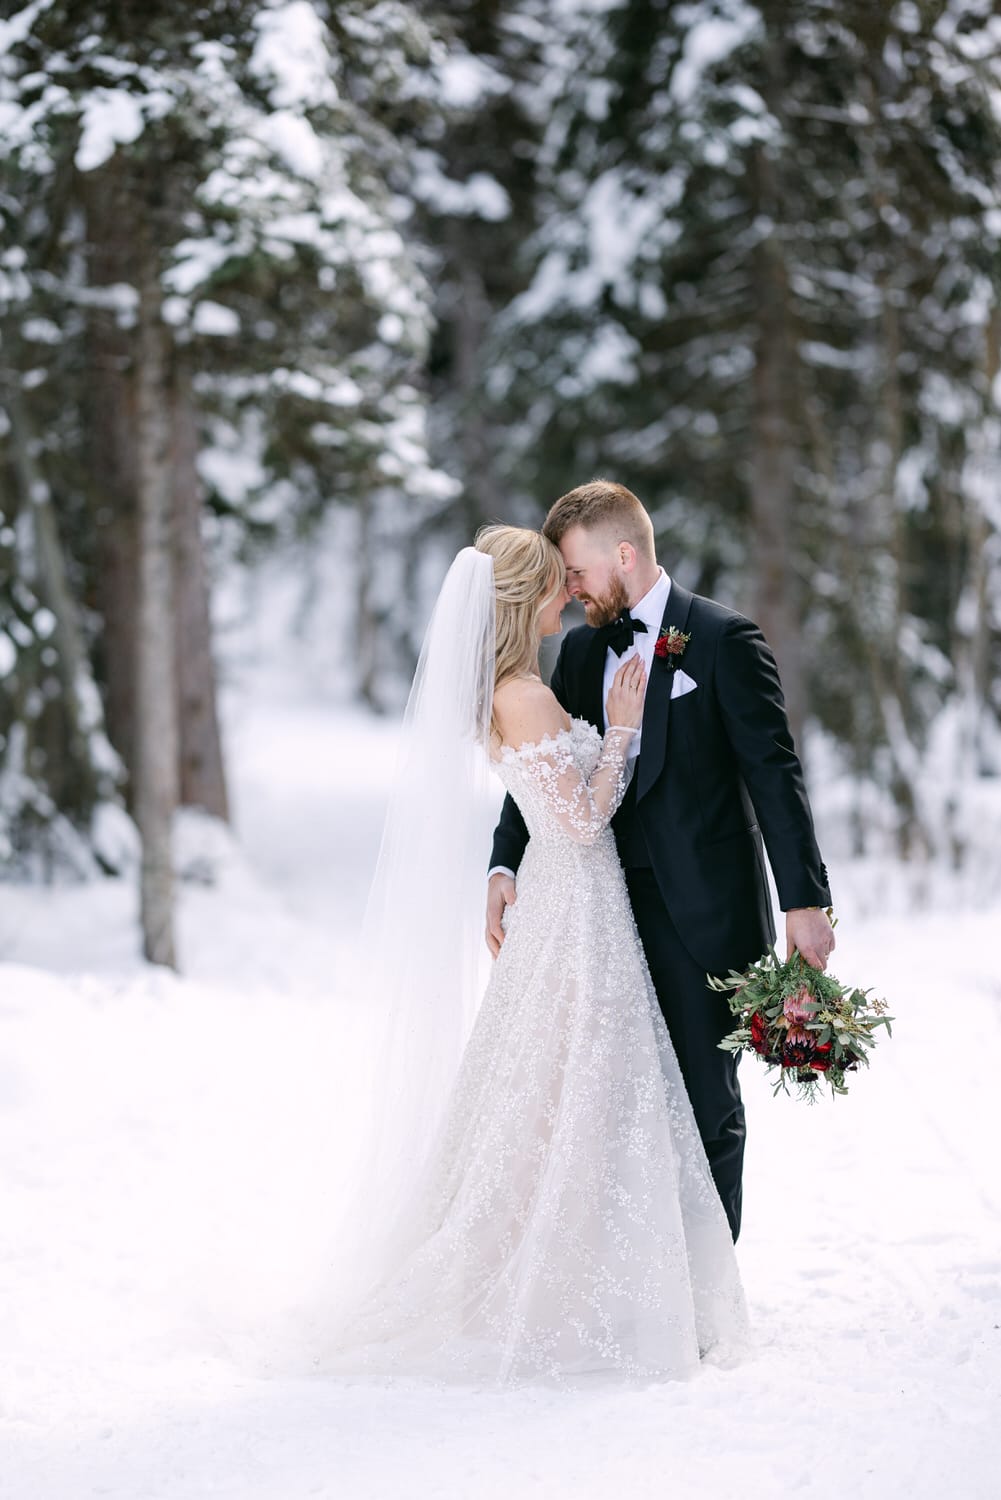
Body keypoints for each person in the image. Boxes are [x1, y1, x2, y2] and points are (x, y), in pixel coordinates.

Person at [318, 523, 748, 1388]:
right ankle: (549, 1284)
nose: (569, 595)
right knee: (569, 1091)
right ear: (522, 598)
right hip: (575, 904)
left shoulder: (522, 686)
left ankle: (590, 1278)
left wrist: (508, 858)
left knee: (566, 1090)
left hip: (576, 900)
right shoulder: (520, 693)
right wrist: (621, 728)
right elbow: (584, 817)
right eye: (554, 584)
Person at [487, 481, 834, 1242]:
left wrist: (803, 902)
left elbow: (774, 775)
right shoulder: (578, 650)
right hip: (596, 917)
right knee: (606, 1108)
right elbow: (542, 775)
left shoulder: (723, 639)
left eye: (575, 572)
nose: (567, 590)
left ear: (623, 554)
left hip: (701, 918)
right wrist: (502, 863)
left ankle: (708, 1297)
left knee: (704, 1105)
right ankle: (635, 1294)